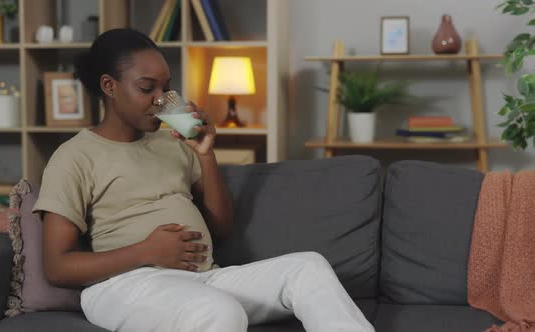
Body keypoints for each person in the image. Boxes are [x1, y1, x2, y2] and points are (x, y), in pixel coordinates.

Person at [32, 28, 374, 332]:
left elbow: (221, 227)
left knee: (307, 268)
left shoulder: (172, 144)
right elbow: (58, 267)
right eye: (146, 88)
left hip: (204, 278)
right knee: (218, 312)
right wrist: (146, 251)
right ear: (109, 86)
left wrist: (205, 154)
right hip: (124, 285)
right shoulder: (74, 156)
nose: (161, 100)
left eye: (166, 88)